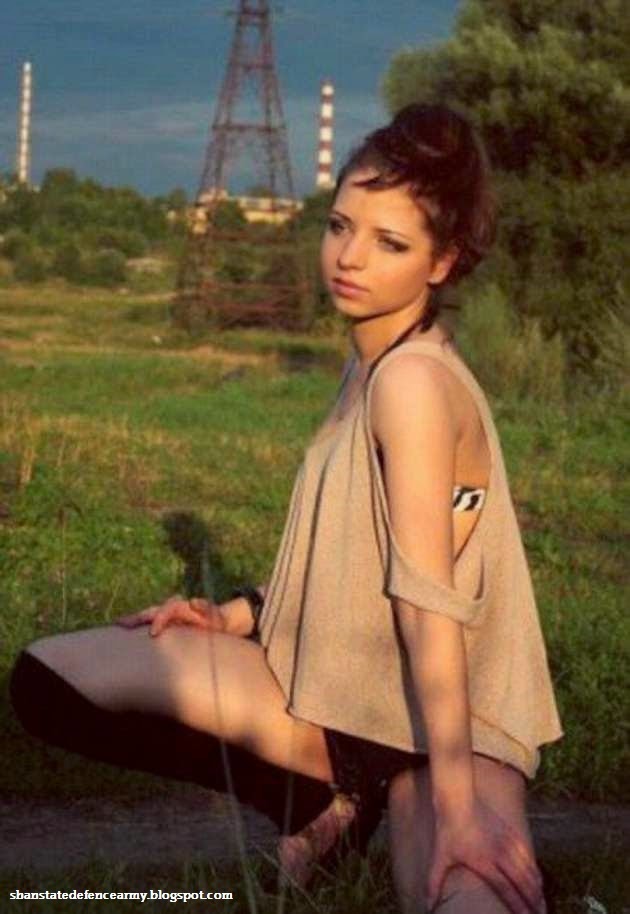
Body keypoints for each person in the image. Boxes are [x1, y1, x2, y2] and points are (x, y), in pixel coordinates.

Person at [9, 103, 562, 914]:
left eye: (390, 243)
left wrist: (456, 806)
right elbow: (364, 558)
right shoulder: (370, 361)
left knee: (467, 893)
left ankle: (377, 796)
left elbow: (429, 604)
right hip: (344, 701)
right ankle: (323, 802)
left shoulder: (413, 383)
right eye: (340, 226)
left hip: (438, 727)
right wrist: (239, 614)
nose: (350, 257)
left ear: (442, 262)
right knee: (50, 679)